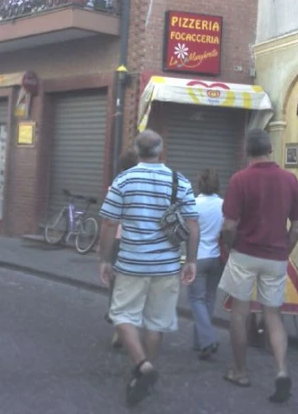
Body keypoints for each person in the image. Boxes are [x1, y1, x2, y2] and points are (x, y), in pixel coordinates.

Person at [98, 130, 199, 407]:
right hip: (166, 265)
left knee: (120, 313)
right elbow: (192, 223)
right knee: (157, 321)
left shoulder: (124, 180)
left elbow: (108, 223)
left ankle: (142, 366)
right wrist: (190, 260)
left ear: (136, 151)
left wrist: (105, 259)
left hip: (131, 263)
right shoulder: (180, 181)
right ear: (160, 151)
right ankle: (146, 367)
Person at [218, 128, 298, 404]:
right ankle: (281, 371)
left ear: (248, 152)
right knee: (273, 316)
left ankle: (240, 371)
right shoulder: (290, 180)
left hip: (244, 253)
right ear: (270, 149)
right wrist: (285, 250)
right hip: (276, 256)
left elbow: (229, 225)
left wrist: (230, 245)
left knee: (240, 313)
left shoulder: (239, 179)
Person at [188, 169, 224, 360]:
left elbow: (187, 231)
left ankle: (207, 339)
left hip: (198, 257)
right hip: (217, 257)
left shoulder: (193, 204)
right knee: (209, 299)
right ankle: (199, 341)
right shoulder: (223, 205)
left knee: (196, 299)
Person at [105, 149, 139, 350]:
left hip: (119, 240)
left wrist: (103, 255)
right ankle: (124, 327)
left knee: (117, 285)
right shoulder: (145, 184)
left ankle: (119, 326)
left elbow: (109, 221)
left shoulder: (116, 186)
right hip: (139, 241)